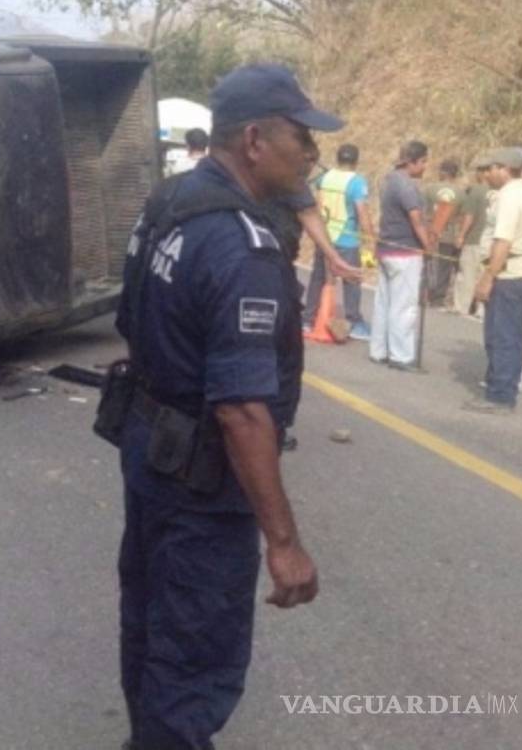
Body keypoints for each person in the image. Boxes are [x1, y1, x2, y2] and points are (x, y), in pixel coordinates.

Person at [115, 63, 333, 750]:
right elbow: (242, 411)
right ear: (254, 140)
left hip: (149, 451)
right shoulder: (243, 247)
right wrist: (285, 543)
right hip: (202, 486)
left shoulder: (169, 199)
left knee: (150, 628)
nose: (311, 155)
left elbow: (130, 317)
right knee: (194, 659)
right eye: (302, 138)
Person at [465, 147, 522, 413]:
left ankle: (500, 396)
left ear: (504, 169)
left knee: (501, 338)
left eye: (493, 168)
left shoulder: (509, 197)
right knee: (515, 338)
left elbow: (503, 241)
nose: (489, 174)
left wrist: (488, 277)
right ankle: (502, 385)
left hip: (509, 275)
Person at [369, 141, 432, 371]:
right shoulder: (406, 185)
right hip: (405, 251)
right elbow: (416, 219)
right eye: (423, 161)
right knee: (404, 306)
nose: (425, 166)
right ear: (412, 162)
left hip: (386, 248)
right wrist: (427, 246)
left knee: (384, 302)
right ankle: (401, 355)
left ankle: (379, 350)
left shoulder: (388, 180)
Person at [304, 143, 375, 338]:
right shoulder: (356, 182)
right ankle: (353, 322)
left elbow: (316, 206)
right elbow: (362, 213)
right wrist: (371, 239)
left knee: (317, 279)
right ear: (356, 161)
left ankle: (308, 320)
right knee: (352, 280)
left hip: (325, 237)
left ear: (338, 158)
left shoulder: (325, 178)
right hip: (347, 239)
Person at [453, 156, 493, 317]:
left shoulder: (476, 190)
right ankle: (481, 309)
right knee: (484, 275)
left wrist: (461, 235)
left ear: (483, 173)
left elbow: (468, 216)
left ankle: (462, 307)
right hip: (493, 243)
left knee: (467, 275)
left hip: (474, 239)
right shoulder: (500, 192)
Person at [423, 159, 463, 308]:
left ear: (442, 172)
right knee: (444, 268)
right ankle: (438, 299)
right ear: (455, 175)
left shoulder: (429, 189)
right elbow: (462, 216)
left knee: (427, 264)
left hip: (429, 232)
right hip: (449, 235)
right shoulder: (460, 193)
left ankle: (424, 293)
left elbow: (423, 210)